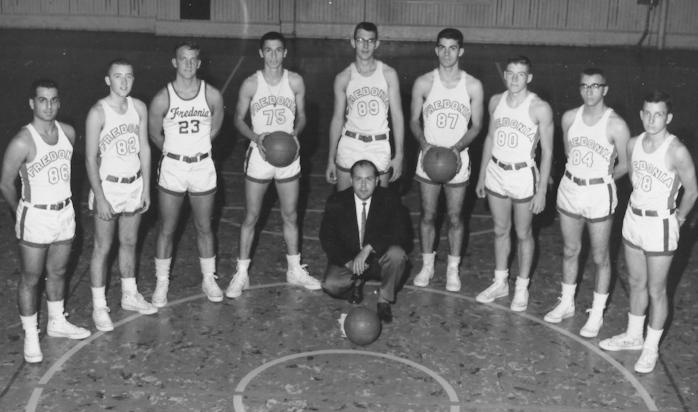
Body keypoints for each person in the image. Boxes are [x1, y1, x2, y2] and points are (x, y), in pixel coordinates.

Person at [599, 91, 697, 373]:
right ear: (641, 115)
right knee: (636, 282)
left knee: (657, 289)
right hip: (634, 219)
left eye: (659, 114)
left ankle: (651, 348)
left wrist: (679, 218)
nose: (652, 120)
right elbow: (635, 179)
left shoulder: (676, 150)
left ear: (668, 117)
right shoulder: (633, 143)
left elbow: (692, 191)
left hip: (660, 225)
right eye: (648, 114)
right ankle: (633, 336)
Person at [0, 79, 90, 363]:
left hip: (64, 212)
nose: (48, 106)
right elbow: (5, 183)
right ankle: (30, 334)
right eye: (42, 100)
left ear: (59, 102)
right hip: (36, 215)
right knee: (31, 278)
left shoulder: (68, 133)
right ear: (32, 103)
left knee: (59, 271)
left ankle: (56, 321)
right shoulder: (22, 141)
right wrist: (19, 212)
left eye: (53, 100)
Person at [226, 31, 321, 298]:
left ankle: (294, 270)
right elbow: (238, 119)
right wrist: (256, 137)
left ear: (285, 53)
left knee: (290, 215)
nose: (274, 55)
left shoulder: (295, 81)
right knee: (251, 216)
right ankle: (241, 273)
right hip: (260, 153)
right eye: (268, 50)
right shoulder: (250, 84)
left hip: (288, 153)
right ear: (261, 53)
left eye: (278, 50)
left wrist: (295, 134)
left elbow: (302, 116)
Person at [544, 68, 630, 337]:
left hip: (598, 193)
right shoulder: (570, 118)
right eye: (584, 86)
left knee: (600, 256)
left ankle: (596, 313)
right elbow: (569, 152)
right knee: (570, 250)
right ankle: (567, 303)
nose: (589, 91)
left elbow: (625, 164)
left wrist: (602, 180)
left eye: (595, 86)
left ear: (605, 89)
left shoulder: (616, 124)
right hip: (570, 188)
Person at [148, 41, 225, 306]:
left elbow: (215, 129)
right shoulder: (162, 98)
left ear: (199, 63)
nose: (189, 64)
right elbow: (154, 134)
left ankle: (209, 279)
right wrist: (176, 152)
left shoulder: (212, 95)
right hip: (173, 168)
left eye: (193, 59)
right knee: (167, 228)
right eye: (183, 59)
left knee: (204, 227)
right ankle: (162, 282)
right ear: (175, 62)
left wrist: (196, 149)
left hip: (202, 167)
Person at [474, 56, 554, 311]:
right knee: (500, 230)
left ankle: (521, 286)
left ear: (529, 78)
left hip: (522, 175)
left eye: (521, 74)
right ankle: (500, 283)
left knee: (523, 233)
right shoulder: (495, 101)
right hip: (497, 171)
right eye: (511, 73)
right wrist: (482, 174)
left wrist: (542, 191)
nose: (515, 79)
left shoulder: (539, 108)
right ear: (505, 75)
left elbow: (548, 152)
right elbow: (490, 138)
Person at [409, 28, 484, 292]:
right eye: (442, 47)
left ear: (461, 51)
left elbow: (477, 125)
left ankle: (453, 269)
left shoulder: (473, 85)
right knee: (428, 214)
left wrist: (456, 149)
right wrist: (424, 145)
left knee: (454, 217)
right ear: (436, 49)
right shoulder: (423, 82)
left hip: (457, 159)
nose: (447, 53)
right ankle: (427, 265)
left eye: (453, 48)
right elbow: (413, 121)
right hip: (428, 158)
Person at [85, 59, 157, 332]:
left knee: (129, 241)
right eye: (118, 76)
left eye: (128, 76)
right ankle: (99, 306)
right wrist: (100, 196)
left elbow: (145, 149)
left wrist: (146, 187)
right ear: (108, 80)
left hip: (133, 185)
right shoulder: (98, 112)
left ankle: (129, 295)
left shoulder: (139, 107)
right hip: (109, 187)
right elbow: (90, 159)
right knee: (102, 247)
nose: (124, 82)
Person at [320, 160, 409, 323]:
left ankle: (384, 299)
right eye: (358, 179)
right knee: (330, 285)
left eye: (368, 179)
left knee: (397, 255)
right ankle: (356, 283)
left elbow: (400, 232)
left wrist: (368, 248)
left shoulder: (389, 199)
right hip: (351, 259)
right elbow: (327, 238)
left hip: (378, 257)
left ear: (377, 180)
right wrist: (349, 263)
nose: (363, 185)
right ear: (350, 180)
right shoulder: (336, 201)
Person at [325, 21, 405, 190]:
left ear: (377, 44)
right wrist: (330, 159)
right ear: (353, 42)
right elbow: (337, 119)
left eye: (370, 41)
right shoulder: (343, 77)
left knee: (379, 202)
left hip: (379, 144)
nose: (365, 45)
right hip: (350, 143)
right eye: (361, 40)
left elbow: (397, 116)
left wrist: (399, 155)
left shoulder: (389, 74)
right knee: (345, 200)